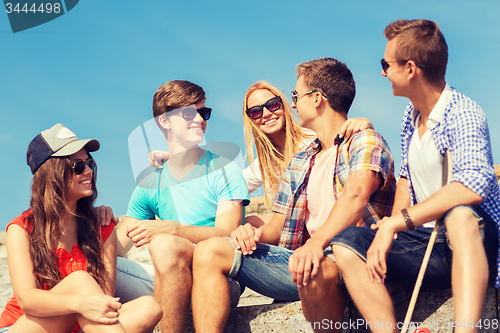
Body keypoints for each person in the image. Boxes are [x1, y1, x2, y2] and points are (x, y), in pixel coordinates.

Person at [191, 58, 396, 333]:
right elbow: (277, 223)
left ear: (317, 99)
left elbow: (355, 197)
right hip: (303, 257)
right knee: (209, 250)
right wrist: (251, 233)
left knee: (315, 269)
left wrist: (315, 244)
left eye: (294, 97)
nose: (294, 104)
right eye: (255, 111)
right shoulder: (300, 160)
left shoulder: (362, 139)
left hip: (351, 256)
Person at [332, 19, 500, 333]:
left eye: (386, 64)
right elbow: (406, 182)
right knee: (346, 243)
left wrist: (398, 221)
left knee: (461, 215)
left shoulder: (462, 112)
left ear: (410, 68)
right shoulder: (410, 118)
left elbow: (474, 184)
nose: (383, 72)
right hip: (427, 242)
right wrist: (389, 228)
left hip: (471, 240)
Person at [0, 123, 162, 333]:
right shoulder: (22, 228)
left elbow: (104, 299)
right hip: (25, 326)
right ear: (52, 174)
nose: (88, 171)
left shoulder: (101, 226)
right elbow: (27, 300)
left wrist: (85, 307)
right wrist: (79, 304)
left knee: (148, 307)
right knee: (79, 281)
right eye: (78, 166)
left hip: (84, 326)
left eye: (90, 164)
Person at [116, 80, 250, 333]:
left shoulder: (225, 170)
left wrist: (174, 230)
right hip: (168, 279)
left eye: (204, 112)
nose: (200, 119)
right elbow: (118, 248)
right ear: (164, 121)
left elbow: (227, 232)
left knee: (165, 242)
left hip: (216, 279)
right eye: (189, 112)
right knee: (95, 266)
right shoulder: (149, 183)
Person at [149, 81, 374, 227]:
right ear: (251, 119)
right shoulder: (263, 165)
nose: (266, 113)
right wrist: (177, 157)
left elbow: (340, 137)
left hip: (338, 225)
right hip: (297, 231)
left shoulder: (311, 138)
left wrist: (364, 122)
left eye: (273, 105)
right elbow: (226, 183)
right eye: (256, 111)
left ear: (283, 105)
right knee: (250, 221)